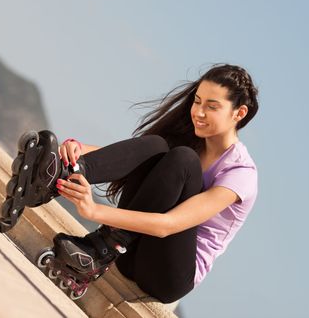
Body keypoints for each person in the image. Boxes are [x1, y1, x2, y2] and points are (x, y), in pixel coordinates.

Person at [54, 64, 259, 303]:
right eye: (197, 101)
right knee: (157, 146)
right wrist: (76, 154)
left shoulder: (241, 173)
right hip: (130, 252)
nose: (199, 112)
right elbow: (131, 160)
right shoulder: (192, 138)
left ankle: (102, 248)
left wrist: (95, 211)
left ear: (239, 113)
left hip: (167, 276)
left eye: (212, 107)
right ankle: (59, 174)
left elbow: (167, 225)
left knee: (183, 158)